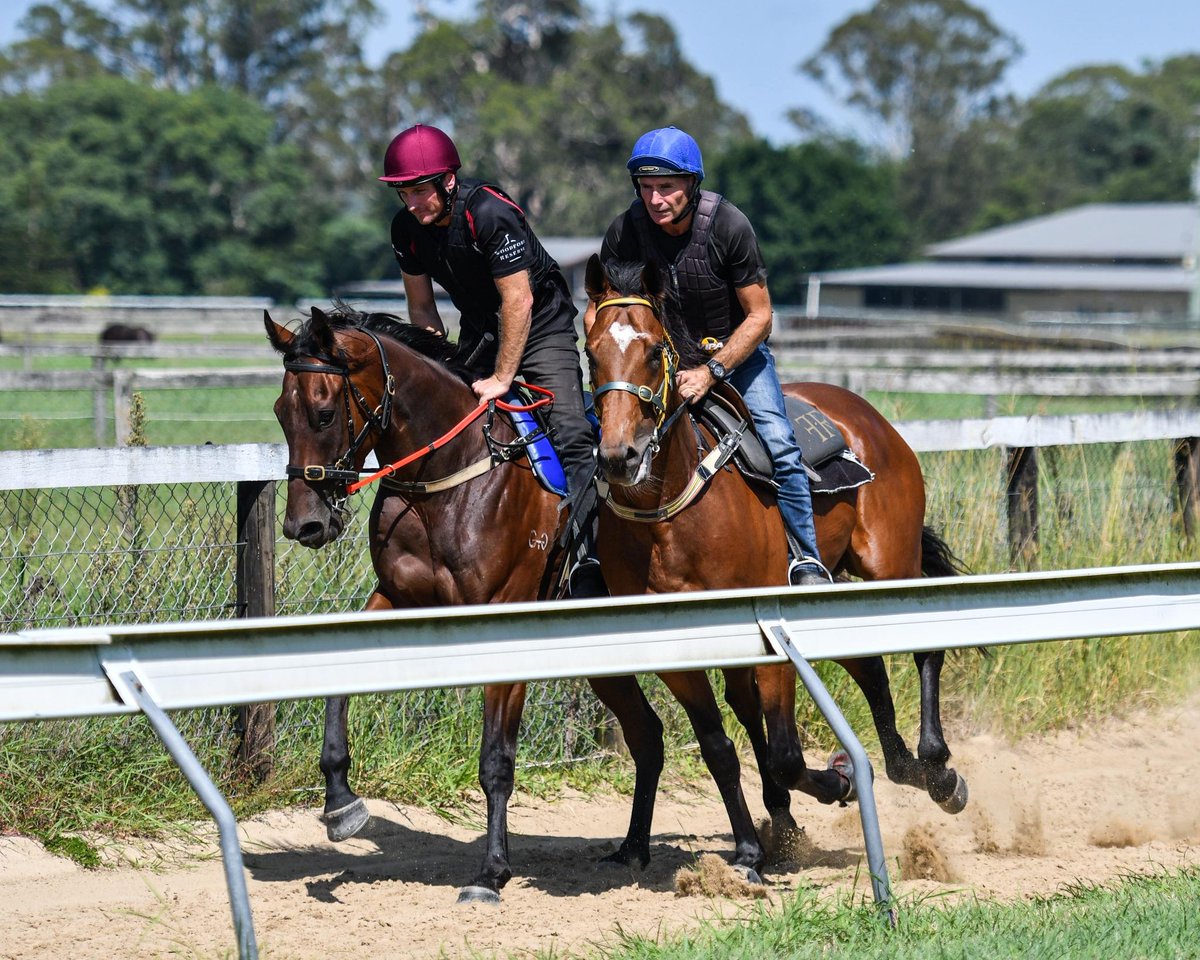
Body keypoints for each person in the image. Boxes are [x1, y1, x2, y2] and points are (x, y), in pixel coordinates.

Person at [585, 125, 831, 586]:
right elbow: (600, 308)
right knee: (585, 443)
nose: (655, 199)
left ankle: (805, 559)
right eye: (646, 188)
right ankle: (588, 563)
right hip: (653, 365)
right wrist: (605, 346)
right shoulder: (624, 231)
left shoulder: (728, 227)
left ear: (692, 184)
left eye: (667, 187)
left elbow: (760, 317)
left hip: (734, 358)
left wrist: (712, 372)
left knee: (779, 444)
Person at [380, 123, 605, 597]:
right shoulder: (406, 229)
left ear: (447, 181)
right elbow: (421, 308)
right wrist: (432, 365)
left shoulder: (488, 212)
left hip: (540, 323)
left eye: (420, 191)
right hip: (482, 328)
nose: (413, 204)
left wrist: (504, 377)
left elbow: (519, 302)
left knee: (569, 429)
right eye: (404, 194)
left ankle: (591, 559)